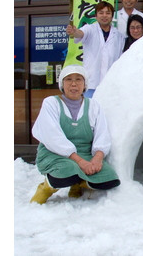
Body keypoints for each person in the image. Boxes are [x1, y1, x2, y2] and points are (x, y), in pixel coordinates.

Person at [30, 65, 120, 204]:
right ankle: (45, 189)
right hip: (55, 155)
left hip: (85, 154)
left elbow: (102, 134)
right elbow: (52, 136)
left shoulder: (93, 106)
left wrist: (97, 158)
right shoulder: (51, 103)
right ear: (62, 84)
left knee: (109, 178)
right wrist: (80, 162)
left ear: (85, 85)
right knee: (67, 171)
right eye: (68, 79)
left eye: (79, 79)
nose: (74, 84)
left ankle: (77, 184)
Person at [66, 1, 124, 98]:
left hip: (110, 84)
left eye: (108, 13)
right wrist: (74, 31)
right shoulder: (90, 29)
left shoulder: (118, 35)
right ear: (96, 16)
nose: (104, 15)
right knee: (89, 110)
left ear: (112, 16)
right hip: (92, 84)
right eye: (101, 13)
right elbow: (80, 33)